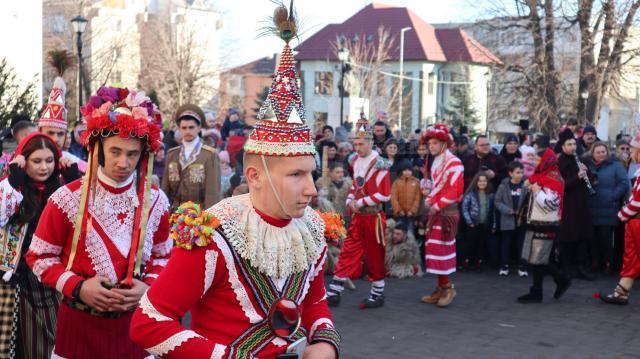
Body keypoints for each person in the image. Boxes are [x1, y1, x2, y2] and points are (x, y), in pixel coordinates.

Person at [129, 27, 340, 357]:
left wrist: (326, 343)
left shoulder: (311, 230)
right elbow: (149, 323)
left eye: (311, 173)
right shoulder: (212, 235)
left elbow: (314, 303)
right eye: (296, 174)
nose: (312, 189)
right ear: (254, 176)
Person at [25, 86, 171, 358]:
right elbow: (40, 257)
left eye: (132, 154)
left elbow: (165, 255)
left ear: (143, 154)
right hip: (78, 331)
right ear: (99, 149)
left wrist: (149, 287)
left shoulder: (156, 200)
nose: (123, 162)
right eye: (115, 151)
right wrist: (78, 287)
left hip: (136, 332)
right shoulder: (66, 199)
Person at [0, 133, 77, 358]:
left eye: (50, 161)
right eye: (36, 161)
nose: (44, 167)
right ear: (23, 161)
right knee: (16, 346)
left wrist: (75, 182)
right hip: (16, 280)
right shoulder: (13, 187)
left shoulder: (63, 189)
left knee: (53, 342)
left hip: (51, 281)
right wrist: (13, 181)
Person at [326, 118, 391, 309]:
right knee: (348, 251)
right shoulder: (355, 160)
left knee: (374, 256)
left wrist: (360, 202)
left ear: (371, 142)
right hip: (359, 217)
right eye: (356, 144)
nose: (358, 147)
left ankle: (377, 293)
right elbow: (356, 185)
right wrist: (349, 201)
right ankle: (335, 291)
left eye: (361, 144)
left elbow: (384, 194)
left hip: (373, 218)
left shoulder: (381, 164)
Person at [517, 141, 571, 303]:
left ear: (546, 161)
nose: (534, 162)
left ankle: (538, 291)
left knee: (538, 259)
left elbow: (550, 204)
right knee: (538, 258)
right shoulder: (541, 176)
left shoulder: (553, 179)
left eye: (537, 159)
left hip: (546, 223)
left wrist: (536, 190)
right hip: (536, 222)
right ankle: (559, 280)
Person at [419, 124, 464, 308]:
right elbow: (439, 186)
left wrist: (435, 204)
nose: (431, 146)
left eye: (435, 143)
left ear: (444, 143)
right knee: (434, 250)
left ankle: (447, 288)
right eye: (429, 143)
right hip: (437, 210)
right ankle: (441, 287)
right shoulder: (438, 160)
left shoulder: (454, 162)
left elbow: (455, 189)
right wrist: (429, 200)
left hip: (446, 211)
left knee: (441, 250)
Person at [600, 130, 640, 305]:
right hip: (634, 221)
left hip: (637, 220)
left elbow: (638, 201)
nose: (629, 153)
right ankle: (621, 292)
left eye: (632, 149)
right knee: (631, 257)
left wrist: (622, 214)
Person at [162, 104, 221, 211]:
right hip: (174, 216)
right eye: (184, 128)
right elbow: (165, 190)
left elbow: (213, 192)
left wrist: (209, 220)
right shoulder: (172, 154)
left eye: (191, 127)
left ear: (199, 128)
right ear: (179, 129)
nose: (188, 131)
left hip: (199, 218)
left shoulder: (209, 155)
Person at [555, 129, 595, 280]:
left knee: (582, 237)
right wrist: (577, 177)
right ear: (563, 146)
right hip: (568, 206)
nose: (572, 147)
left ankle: (581, 268)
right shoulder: (560, 162)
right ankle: (566, 268)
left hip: (582, 204)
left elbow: (590, 180)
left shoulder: (581, 160)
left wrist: (588, 175)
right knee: (567, 238)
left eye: (573, 144)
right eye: (569, 144)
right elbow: (560, 184)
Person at [585, 142, 629, 273]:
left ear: (607, 152)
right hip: (592, 207)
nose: (601, 154)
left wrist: (613, 196)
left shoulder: (615, 165)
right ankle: (595, 262)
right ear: (593, 153)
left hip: (608, 207)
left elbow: (623, 183)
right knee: (593, 238)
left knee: (606, 237)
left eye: (603, 152)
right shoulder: (588, 166)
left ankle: (608, 263)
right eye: (598, 152)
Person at [38, 76, 86, 172]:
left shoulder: (72, 161)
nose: (56, 139)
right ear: (39, 132)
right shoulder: (24, 159)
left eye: (60, 134)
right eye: (50, 133)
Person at [495, 161, 529, 277]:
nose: (520, 175)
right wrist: (507, 210)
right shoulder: (503, 186)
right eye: (517, 172)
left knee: (522, 244)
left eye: (521, 172)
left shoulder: (526, 185)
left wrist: (523, 211)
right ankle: (504, 266)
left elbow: (530, 201)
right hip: (507, 219)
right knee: (506, 244)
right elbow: (497, 201)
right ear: (510, 173)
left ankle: (522, 267)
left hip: (521, 220)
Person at [461, 172, 495, 272]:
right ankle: (466, 263)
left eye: (484, 181)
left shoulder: (491, 195)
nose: (482, 183)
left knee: (481, 245)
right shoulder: (471, 194)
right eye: (480, 181)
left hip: (484, 224)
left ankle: (478, 263)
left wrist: (493, 225)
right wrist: (469, 221)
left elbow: (493, 211)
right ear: (476, 182)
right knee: (470, 244)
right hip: (472, 224)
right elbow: (464, 208)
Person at [390, 160, 421, 233]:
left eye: (409, 170)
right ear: (401, 171)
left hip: (411, 215)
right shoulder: (396, 182)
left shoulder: (416, 182)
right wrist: (399, 210)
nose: (407, 172)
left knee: (410, 233)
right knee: (399, 232)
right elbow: (393, 198)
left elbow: (418, 198)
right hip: (400, 215)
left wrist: (412, 211)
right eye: (405, 170)